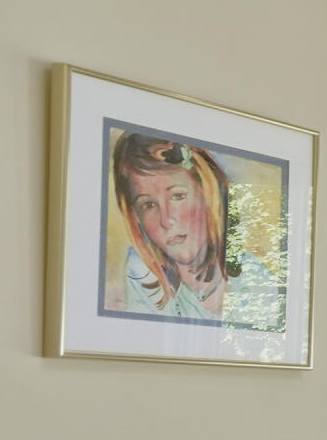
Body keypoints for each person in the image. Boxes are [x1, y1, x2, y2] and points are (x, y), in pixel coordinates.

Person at [108, 131, 284, 329]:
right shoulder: (141, 270)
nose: (166, 220)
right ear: (135, 217)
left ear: (208, 194)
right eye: (148, 205)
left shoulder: (259, 284)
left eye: (178, 196)